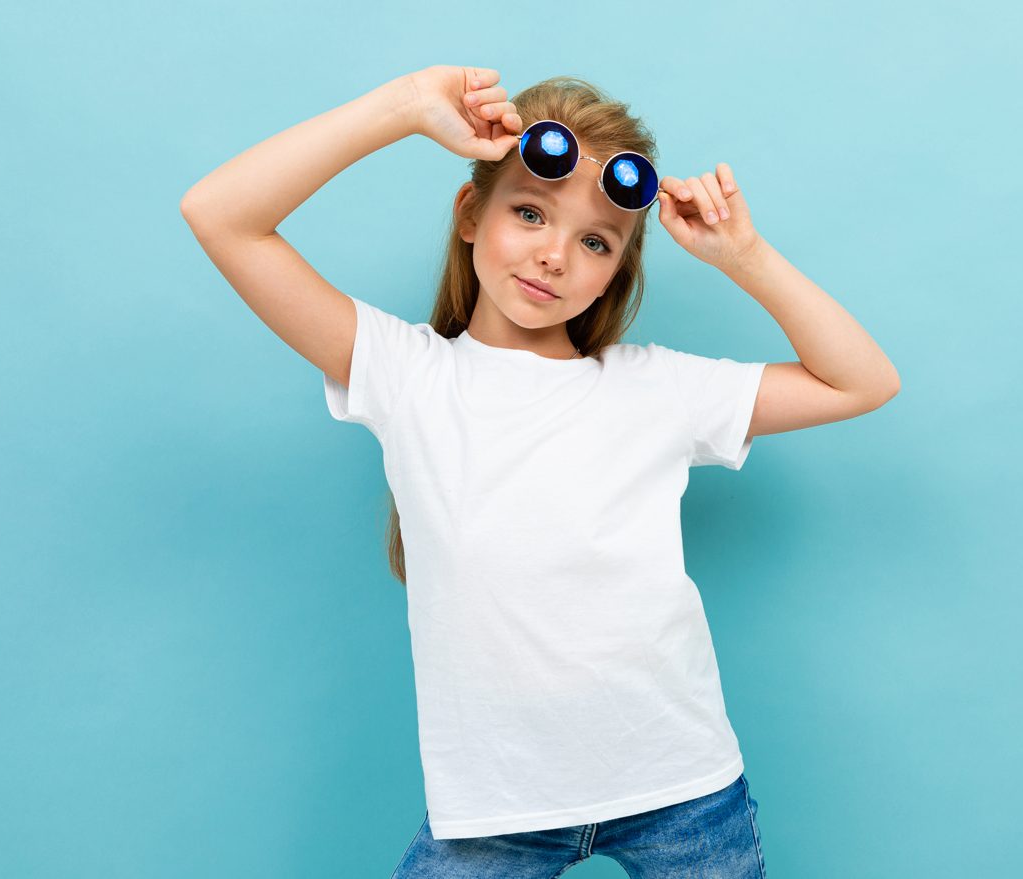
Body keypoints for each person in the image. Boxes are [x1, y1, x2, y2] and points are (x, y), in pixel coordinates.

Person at [181, 64, 900, 878]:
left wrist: (746, 256)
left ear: (615, 271)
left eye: (596, 240)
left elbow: (862, 380)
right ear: (468, 213)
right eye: (529, 211)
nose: (554, 255)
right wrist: (403, 110)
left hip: (684, 790)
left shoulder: (655, 387)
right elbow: (220, 216)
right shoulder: (407, 374)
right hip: (496, 810)